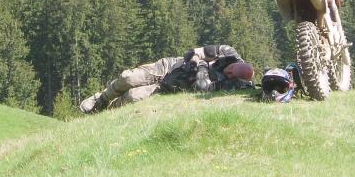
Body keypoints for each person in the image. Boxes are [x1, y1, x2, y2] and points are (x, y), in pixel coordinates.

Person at [79, 45, 253, 114]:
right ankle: (100, 99)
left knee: (133, 97)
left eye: (232, 74)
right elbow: (195, 51)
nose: (228, 72)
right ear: (235, 63)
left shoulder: (234, 84)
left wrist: (201, 69)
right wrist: (194, 61)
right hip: (169, 67)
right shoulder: (228, 52)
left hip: (172, 87)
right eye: (230, 69)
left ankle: (105, 112)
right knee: (129, 77)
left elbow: (202, 88)